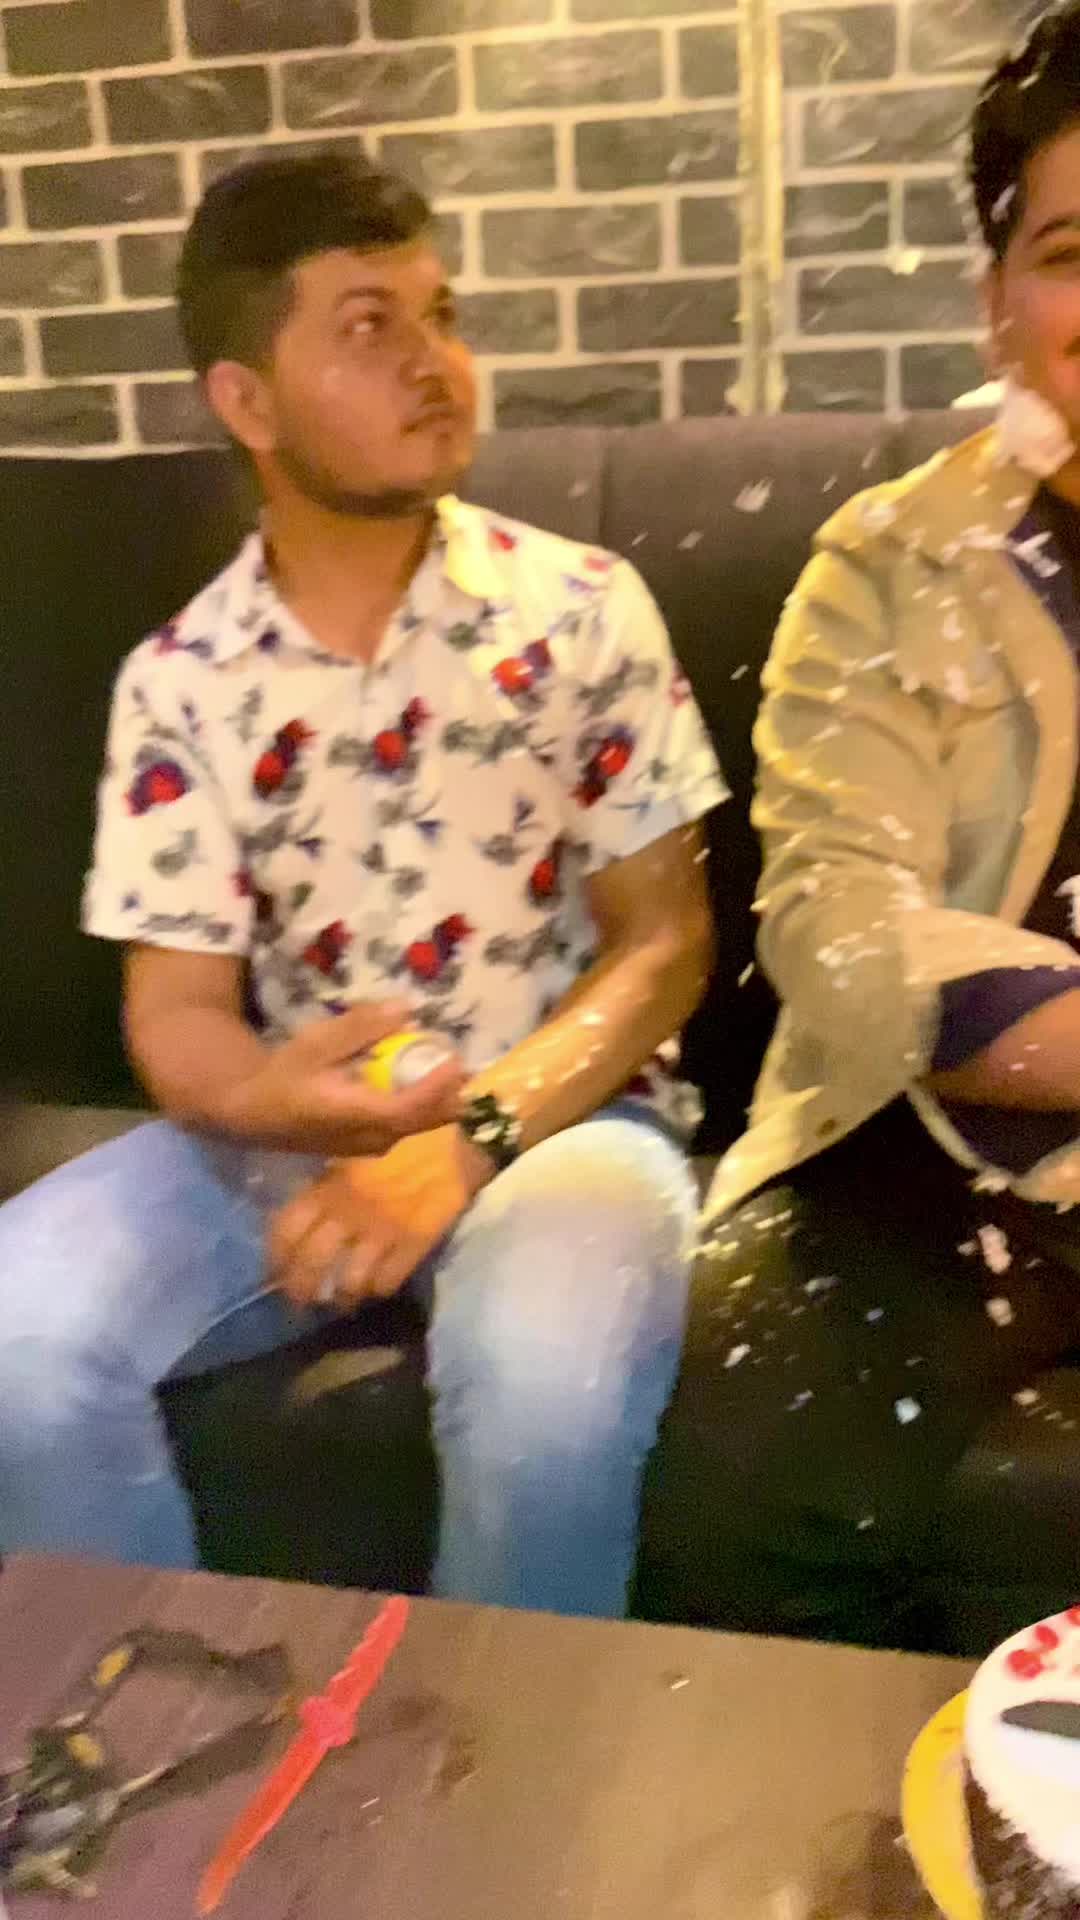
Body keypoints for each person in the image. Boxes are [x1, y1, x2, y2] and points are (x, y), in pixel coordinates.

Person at [0, 153, 725, 1618]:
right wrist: (276, 1100)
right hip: (292, 1137)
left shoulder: (584, 610)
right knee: (18, 1341)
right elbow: (178, 1014)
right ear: (247, 403)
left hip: (560, 1119)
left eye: (439, 314)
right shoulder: (181, 684)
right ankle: (160, 1733)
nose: (433, 363)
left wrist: (470, 1134)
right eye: (366, 327)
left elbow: (665, 943)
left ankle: (488, 1758)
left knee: (544, 1389)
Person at [637, 0, 1080, 1648]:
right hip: (915, 1153)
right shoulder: (892, 564)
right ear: (998, 302)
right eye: (1071, 253)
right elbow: (839, 927)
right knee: (738, 1463)